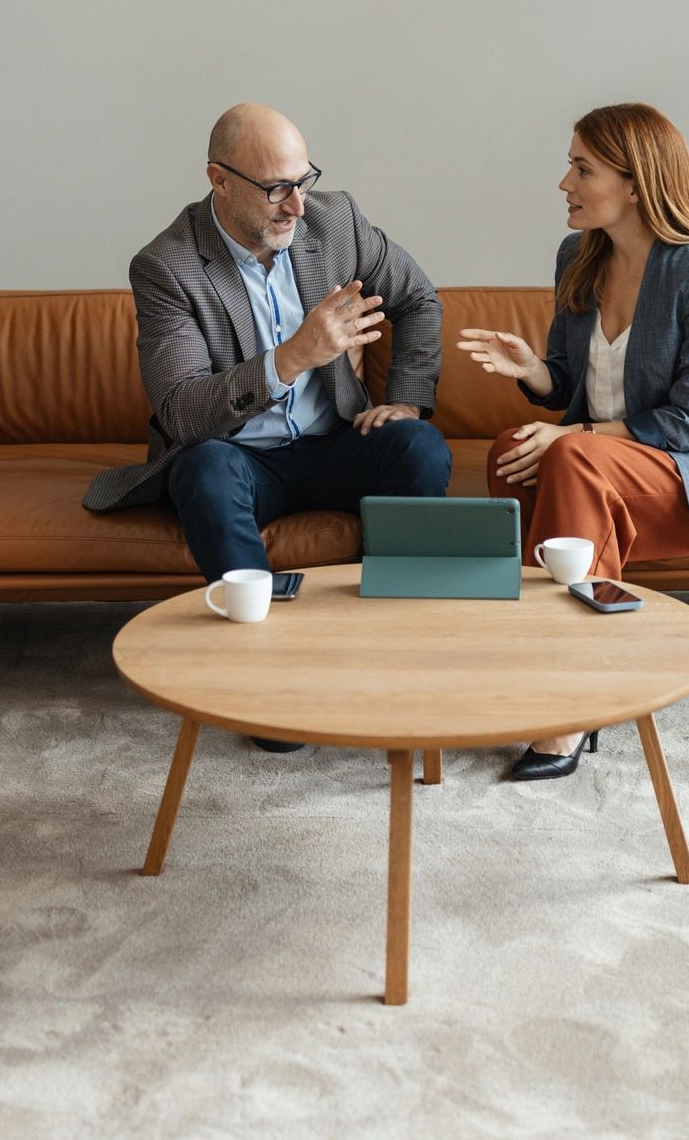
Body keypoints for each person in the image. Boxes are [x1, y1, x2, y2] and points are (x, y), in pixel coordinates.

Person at [85, 104, 451, 748]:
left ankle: (393, 647)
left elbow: (419, 298)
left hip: (334, 442)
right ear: (218, 180)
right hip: (236, 459)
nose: (297, 206)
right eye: (277, 188)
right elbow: (183, 412)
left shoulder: (336, 222)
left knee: (418, 448)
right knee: (201, 470)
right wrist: (294, 356)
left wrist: (409, 401)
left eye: (303, 180)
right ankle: (270, 680)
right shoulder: (167, 267)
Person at [457, 103, 689, 782]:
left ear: (635, 184)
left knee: (569, 453)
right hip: (604, 469)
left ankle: (567, 705)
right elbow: (568, 390)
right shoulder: (577, 256)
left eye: (582, 168)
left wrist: (572, 435)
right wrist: (532, 371)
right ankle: (538, 648)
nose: (564, 183)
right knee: (512, 449)